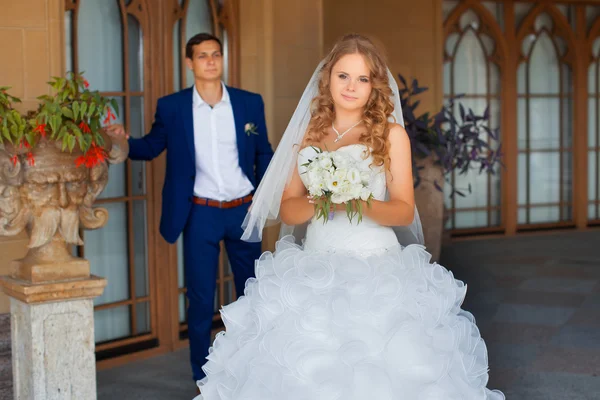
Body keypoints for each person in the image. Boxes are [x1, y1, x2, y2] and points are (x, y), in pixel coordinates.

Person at [192, 33, 505, 400]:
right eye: (343, 76)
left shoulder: (391, 135)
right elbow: (289, 206)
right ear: (328, 78)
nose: (351, 87)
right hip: (315, 264)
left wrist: (352, 200)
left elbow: (403, 209)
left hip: (376, 267)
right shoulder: (310, 133)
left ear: (374, 86)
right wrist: (324, 197)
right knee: (303, 367)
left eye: (362, 79)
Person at [105, 33, 274, 385]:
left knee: (253, 294)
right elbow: (151, 147)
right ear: (189, 63)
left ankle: (253, 372)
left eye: (215, 54)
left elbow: (263, 153)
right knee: (199, 302)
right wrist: (120, 142)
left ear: (222, 59)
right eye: (202, 56)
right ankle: (204, 379)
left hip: (244, 211)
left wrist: (263, 198)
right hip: (201, 214)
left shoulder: (248, 103)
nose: (210, 61)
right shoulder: (173, 107)